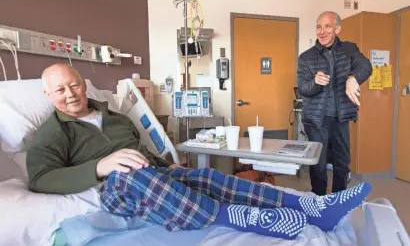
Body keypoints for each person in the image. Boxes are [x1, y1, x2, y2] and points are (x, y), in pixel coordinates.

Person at [27, 63, 372, 240]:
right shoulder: (52, 134)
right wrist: (100, 166)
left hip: (152, 173)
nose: (70, 93)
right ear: (47, 94)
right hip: (115, 186)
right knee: (130, 175)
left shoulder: (114, 117)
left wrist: (167, 167)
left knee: (204, 176)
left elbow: (144, 153)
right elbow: (41, 179)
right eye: (60, 89)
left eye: (74, 84)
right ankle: (233, 217)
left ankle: (310, 207)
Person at [297, 11, 372, 196]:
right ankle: (319, 198)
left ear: (337, 29)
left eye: (327, 26)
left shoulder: (349, 49)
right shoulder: (306, 57)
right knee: (318, 162)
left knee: (342, 161)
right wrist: (315, 82)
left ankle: (339, 198)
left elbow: (366, 67)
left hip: (341, 117)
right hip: (316, 119)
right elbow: (303, 88)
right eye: (319, 27)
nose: (322, 32)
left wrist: (354, 78)